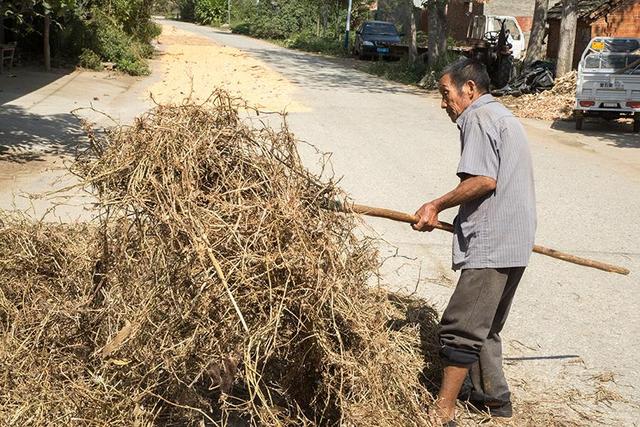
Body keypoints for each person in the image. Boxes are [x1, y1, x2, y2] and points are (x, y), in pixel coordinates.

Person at [412, 58, 536, 426]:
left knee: (461, 327)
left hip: (494, 240)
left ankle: (442, 411)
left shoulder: (478, 117)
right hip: (515, 238)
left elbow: (484, 179)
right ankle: (492, 400)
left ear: (469, 89)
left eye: (445, 93)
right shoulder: (502, 116)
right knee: (486, 326)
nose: (443, 103)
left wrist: (435, 205)